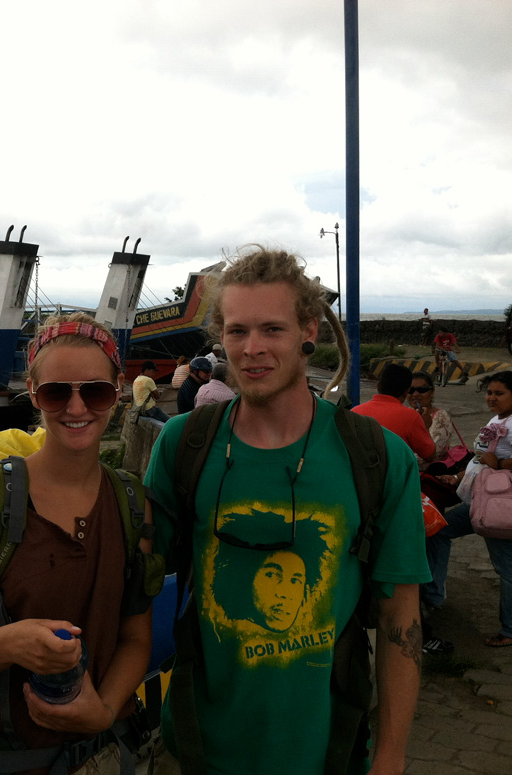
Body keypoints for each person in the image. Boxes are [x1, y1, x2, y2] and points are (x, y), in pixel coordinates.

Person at [144, 245, 428, 775]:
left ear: (309, 332)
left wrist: (390, 757)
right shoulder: (185, 446)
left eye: (272, 330)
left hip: (329, 751)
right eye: (236, 331)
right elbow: (134, 581)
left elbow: (399, 617)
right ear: (220, 338)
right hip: (199, 750)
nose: (252, 349)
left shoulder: (377, 457)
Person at [0, 313, 154, 773]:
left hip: (107, 753)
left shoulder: (132, 503)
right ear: (33, 394)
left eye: (94, 391)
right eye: (57, 392)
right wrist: (10, 643)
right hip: (7, 759)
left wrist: (103, 711)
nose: (77, 409)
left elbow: (135, 637)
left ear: (118, 389)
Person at [425, 371, 512, 649]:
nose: (491, 398)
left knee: (505, 566)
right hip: (478, 500)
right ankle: (433, 596)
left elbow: (493, 461)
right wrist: (460, 476)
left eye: (499, 393)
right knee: (439, 531)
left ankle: (509, 629)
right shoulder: (497, 420)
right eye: (489, 393)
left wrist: (498, 465)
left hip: (499, 504)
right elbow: (481, 457)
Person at [352, 362, 436, 463]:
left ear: (378, 386)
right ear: (406, 391)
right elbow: (430, 456)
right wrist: (426, 427)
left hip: (357, 476)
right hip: (394, 477)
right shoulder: (410, 417)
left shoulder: (354, 412)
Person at [405, 371, 457, 472]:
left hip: (426, 475)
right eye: (410, 390)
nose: (415, 394)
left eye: (422, 390)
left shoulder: (441, 417)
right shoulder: (406, 413)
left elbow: (435, 455)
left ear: (432, 392)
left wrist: (425, 428)